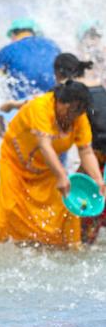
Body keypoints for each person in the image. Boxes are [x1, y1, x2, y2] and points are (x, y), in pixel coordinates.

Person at [0, 81, 106, 246]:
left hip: (45, 167)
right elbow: (44, 145)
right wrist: (61, 175)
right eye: (71, 109)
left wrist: (98, 180)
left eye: (79, 111)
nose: (73, 116)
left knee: (65, 210)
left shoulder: (79, 118)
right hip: (14, 162)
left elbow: (86, 151)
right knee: (10, 209)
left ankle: (69, 249)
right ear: (59, 101)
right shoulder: (41, 107)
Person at [53, 53, 106, 244]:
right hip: (99, 155)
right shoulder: (100, 86)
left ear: (61, 75)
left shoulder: (74, 95)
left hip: (97, 155)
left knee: (81, 204)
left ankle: (79, 245)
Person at [0, 17, 60, 106]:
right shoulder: (52, 45)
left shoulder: (6, 50)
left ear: (13, 34)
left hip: (24, 103)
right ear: (33, 32)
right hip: (54, 98)